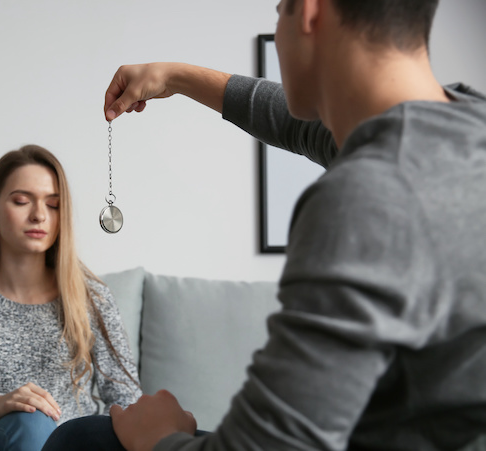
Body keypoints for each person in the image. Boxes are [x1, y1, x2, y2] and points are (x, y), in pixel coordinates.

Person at [41, 0, 486, 450]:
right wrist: (173, 76)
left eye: (279, 11)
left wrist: (159, 438)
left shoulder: (370, 196)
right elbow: (293, 123)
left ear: (310, 12)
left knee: (81, 440)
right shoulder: (465, 127)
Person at [0, 145, 142, 451]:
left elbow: (128, 403)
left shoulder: (91, 299)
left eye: (53, 205)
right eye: (22, 201)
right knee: (32, 421)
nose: (39, 215)